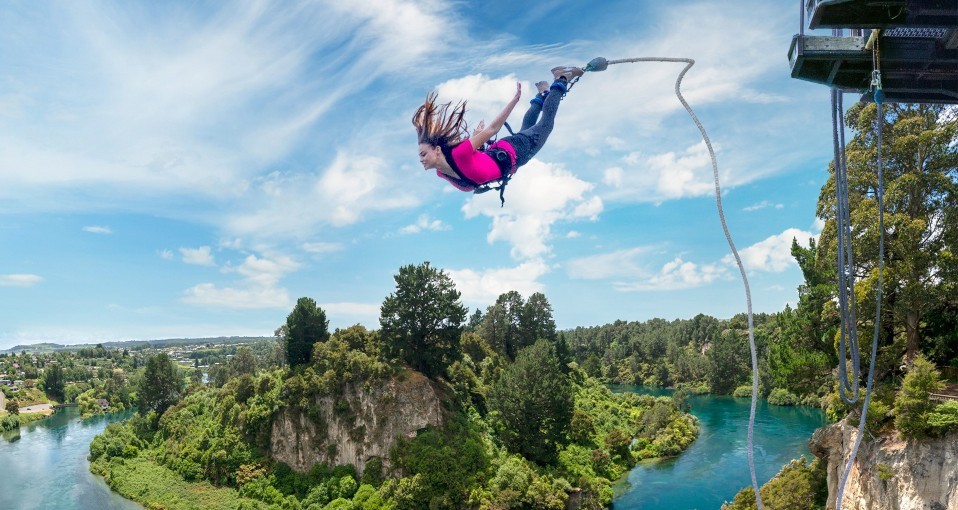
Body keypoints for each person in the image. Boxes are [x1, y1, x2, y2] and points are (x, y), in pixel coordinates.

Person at [413, 66, 584, 198]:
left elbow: (493, 128)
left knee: (545, 125)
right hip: (507, 155)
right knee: (528, 128)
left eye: (423, 154)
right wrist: (477, 145)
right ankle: (543, 95)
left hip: (515, 151)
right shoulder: (441, 173)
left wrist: (514, 101)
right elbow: (477, 165)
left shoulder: (459, 153)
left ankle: (562, 77)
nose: (421, 159)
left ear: (436, 150)